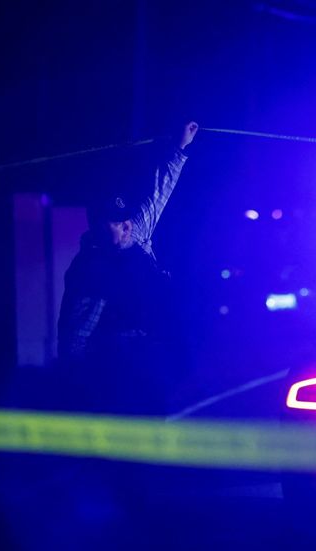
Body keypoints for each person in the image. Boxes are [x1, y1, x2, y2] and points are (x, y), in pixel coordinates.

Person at [56, 121, 199, 413]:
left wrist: (180, 147)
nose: (125, 225)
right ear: (96, 228)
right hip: (118, 363)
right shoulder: (90, 270)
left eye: (125, 218)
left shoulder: (137, 232)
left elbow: (159, 192)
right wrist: (71, 384)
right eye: (116, 222)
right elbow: (76, 331)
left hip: (155, 351)